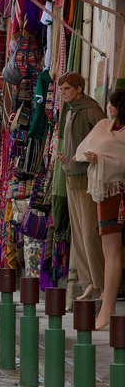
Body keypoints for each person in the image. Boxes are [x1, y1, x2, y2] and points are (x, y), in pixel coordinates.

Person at [75, 90, 125, 329]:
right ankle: (108, 307)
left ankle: (107, 310)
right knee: (108, 251)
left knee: (112, 252)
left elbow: (121, 160)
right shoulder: (105, 125)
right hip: (103, 193)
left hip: (117, 194)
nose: (110, 108)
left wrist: (102, 159)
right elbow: (85, 147)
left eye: (114, 104)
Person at [57, 72, 105, 301]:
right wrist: (67, 157)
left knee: (89, 231)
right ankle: (88, 281)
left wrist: (90, 157)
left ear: (79, 88)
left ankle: (99, 282)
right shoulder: (71, 111)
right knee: (78, 233)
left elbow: (107, 138)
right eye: (61, 89)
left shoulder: (91, 109)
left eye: (67, 88)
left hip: (86, 178)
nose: (63, 92)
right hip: (71, 176)